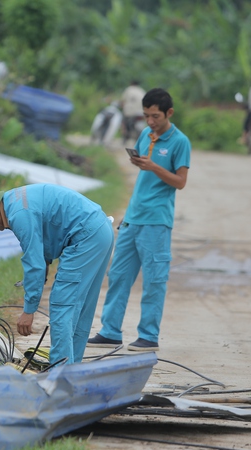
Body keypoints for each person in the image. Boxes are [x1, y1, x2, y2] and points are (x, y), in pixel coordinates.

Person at [0, 183, 114, 366]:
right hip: (100, 229)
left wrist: (29, 310)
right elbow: (46, 225)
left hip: (85, 236)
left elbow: (34, 265)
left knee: (61, 305)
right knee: (80, 308)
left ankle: (59, 372)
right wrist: (47, 260)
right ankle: (72, 370)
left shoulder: (18, 216)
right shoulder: (13, 200)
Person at [88, 88, 191, 352]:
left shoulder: (180, 142)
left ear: (169, 113)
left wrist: (154, 167)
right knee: (118, 275)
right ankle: (110, 331)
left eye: (155, 116)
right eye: (146, 115)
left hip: (157, 221)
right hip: (133, 218)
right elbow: (145, 175)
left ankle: (148, 336)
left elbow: (180, 182)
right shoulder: (146, 134)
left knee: (154, 280)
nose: (150, 122)